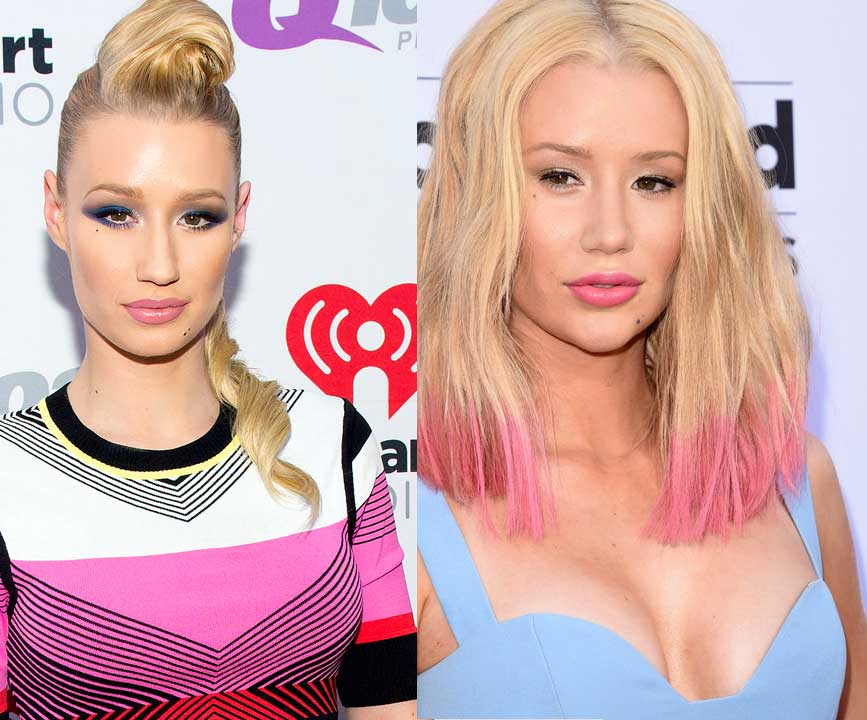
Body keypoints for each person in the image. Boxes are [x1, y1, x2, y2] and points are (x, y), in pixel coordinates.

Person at [416, 0, 867, 718]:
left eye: (654, 182)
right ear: (479, 194)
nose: (610, 232)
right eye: (559, 176)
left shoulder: (794, 477)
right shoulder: (405, 516)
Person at [0, 1, 416, 718]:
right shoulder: (9, 481)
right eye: (116, 214)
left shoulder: (332, 446)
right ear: (56, 211)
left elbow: (389, 704)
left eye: (197, 216)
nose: (159, 264)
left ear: (239, 218)